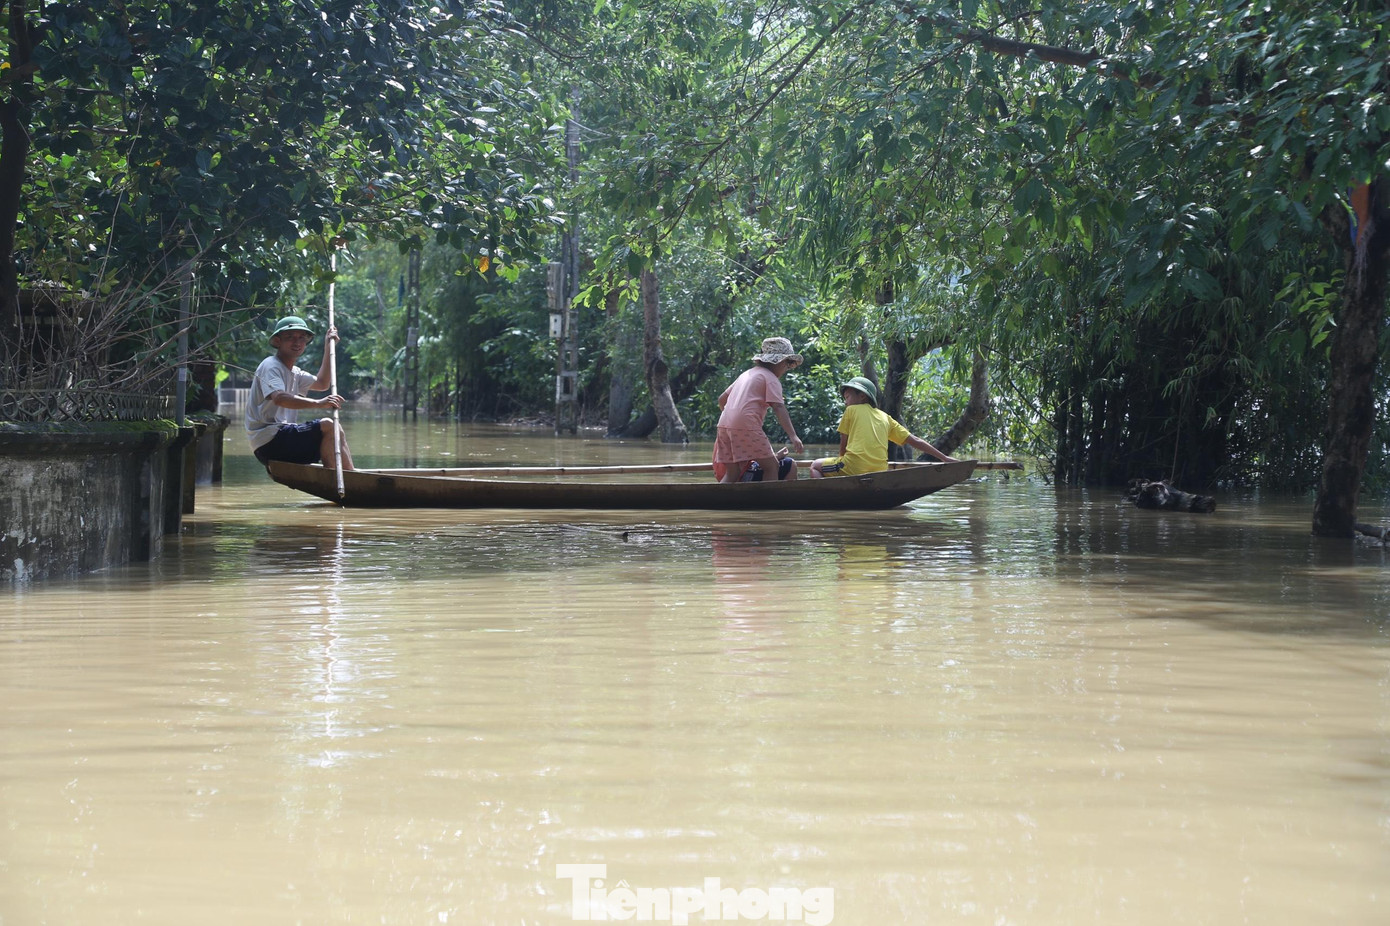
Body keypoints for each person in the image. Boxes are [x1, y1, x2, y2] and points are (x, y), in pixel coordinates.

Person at [245, 315, 355, 471]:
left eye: (302, 338)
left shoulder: (295, 372)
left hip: (282, 439)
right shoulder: (271, 365)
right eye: (290, 337)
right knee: (329, 426)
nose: (297, 342)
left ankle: (348, 474)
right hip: (270, 441)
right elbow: (280, 398)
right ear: (278, 341)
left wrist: (329, 347)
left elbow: (323, 383)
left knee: (334, 433)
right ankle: (340, 480)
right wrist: (319, 403)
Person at [809, 376, 957, 478]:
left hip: (853, 466)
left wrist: (842, 464)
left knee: (815, 466)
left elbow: (843, 445)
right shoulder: (885, 417)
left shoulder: (851, 411)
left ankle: (828, 496)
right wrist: (944, 458)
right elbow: (915, 440)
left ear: (862, 396)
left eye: (847, 397)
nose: (846, 402)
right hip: (879, 470)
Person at [713, 336, 806, 484]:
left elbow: (721, 400)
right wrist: (793, 436)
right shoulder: (770, 378)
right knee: (772, 467)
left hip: (723, 424)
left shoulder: (747, 374)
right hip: (747, 425)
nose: (787, 368)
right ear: (779, 361)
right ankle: (767, 504)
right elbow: (778, 407)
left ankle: (717, 502)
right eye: (788, 364)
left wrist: (732, 421)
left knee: (732, 472)